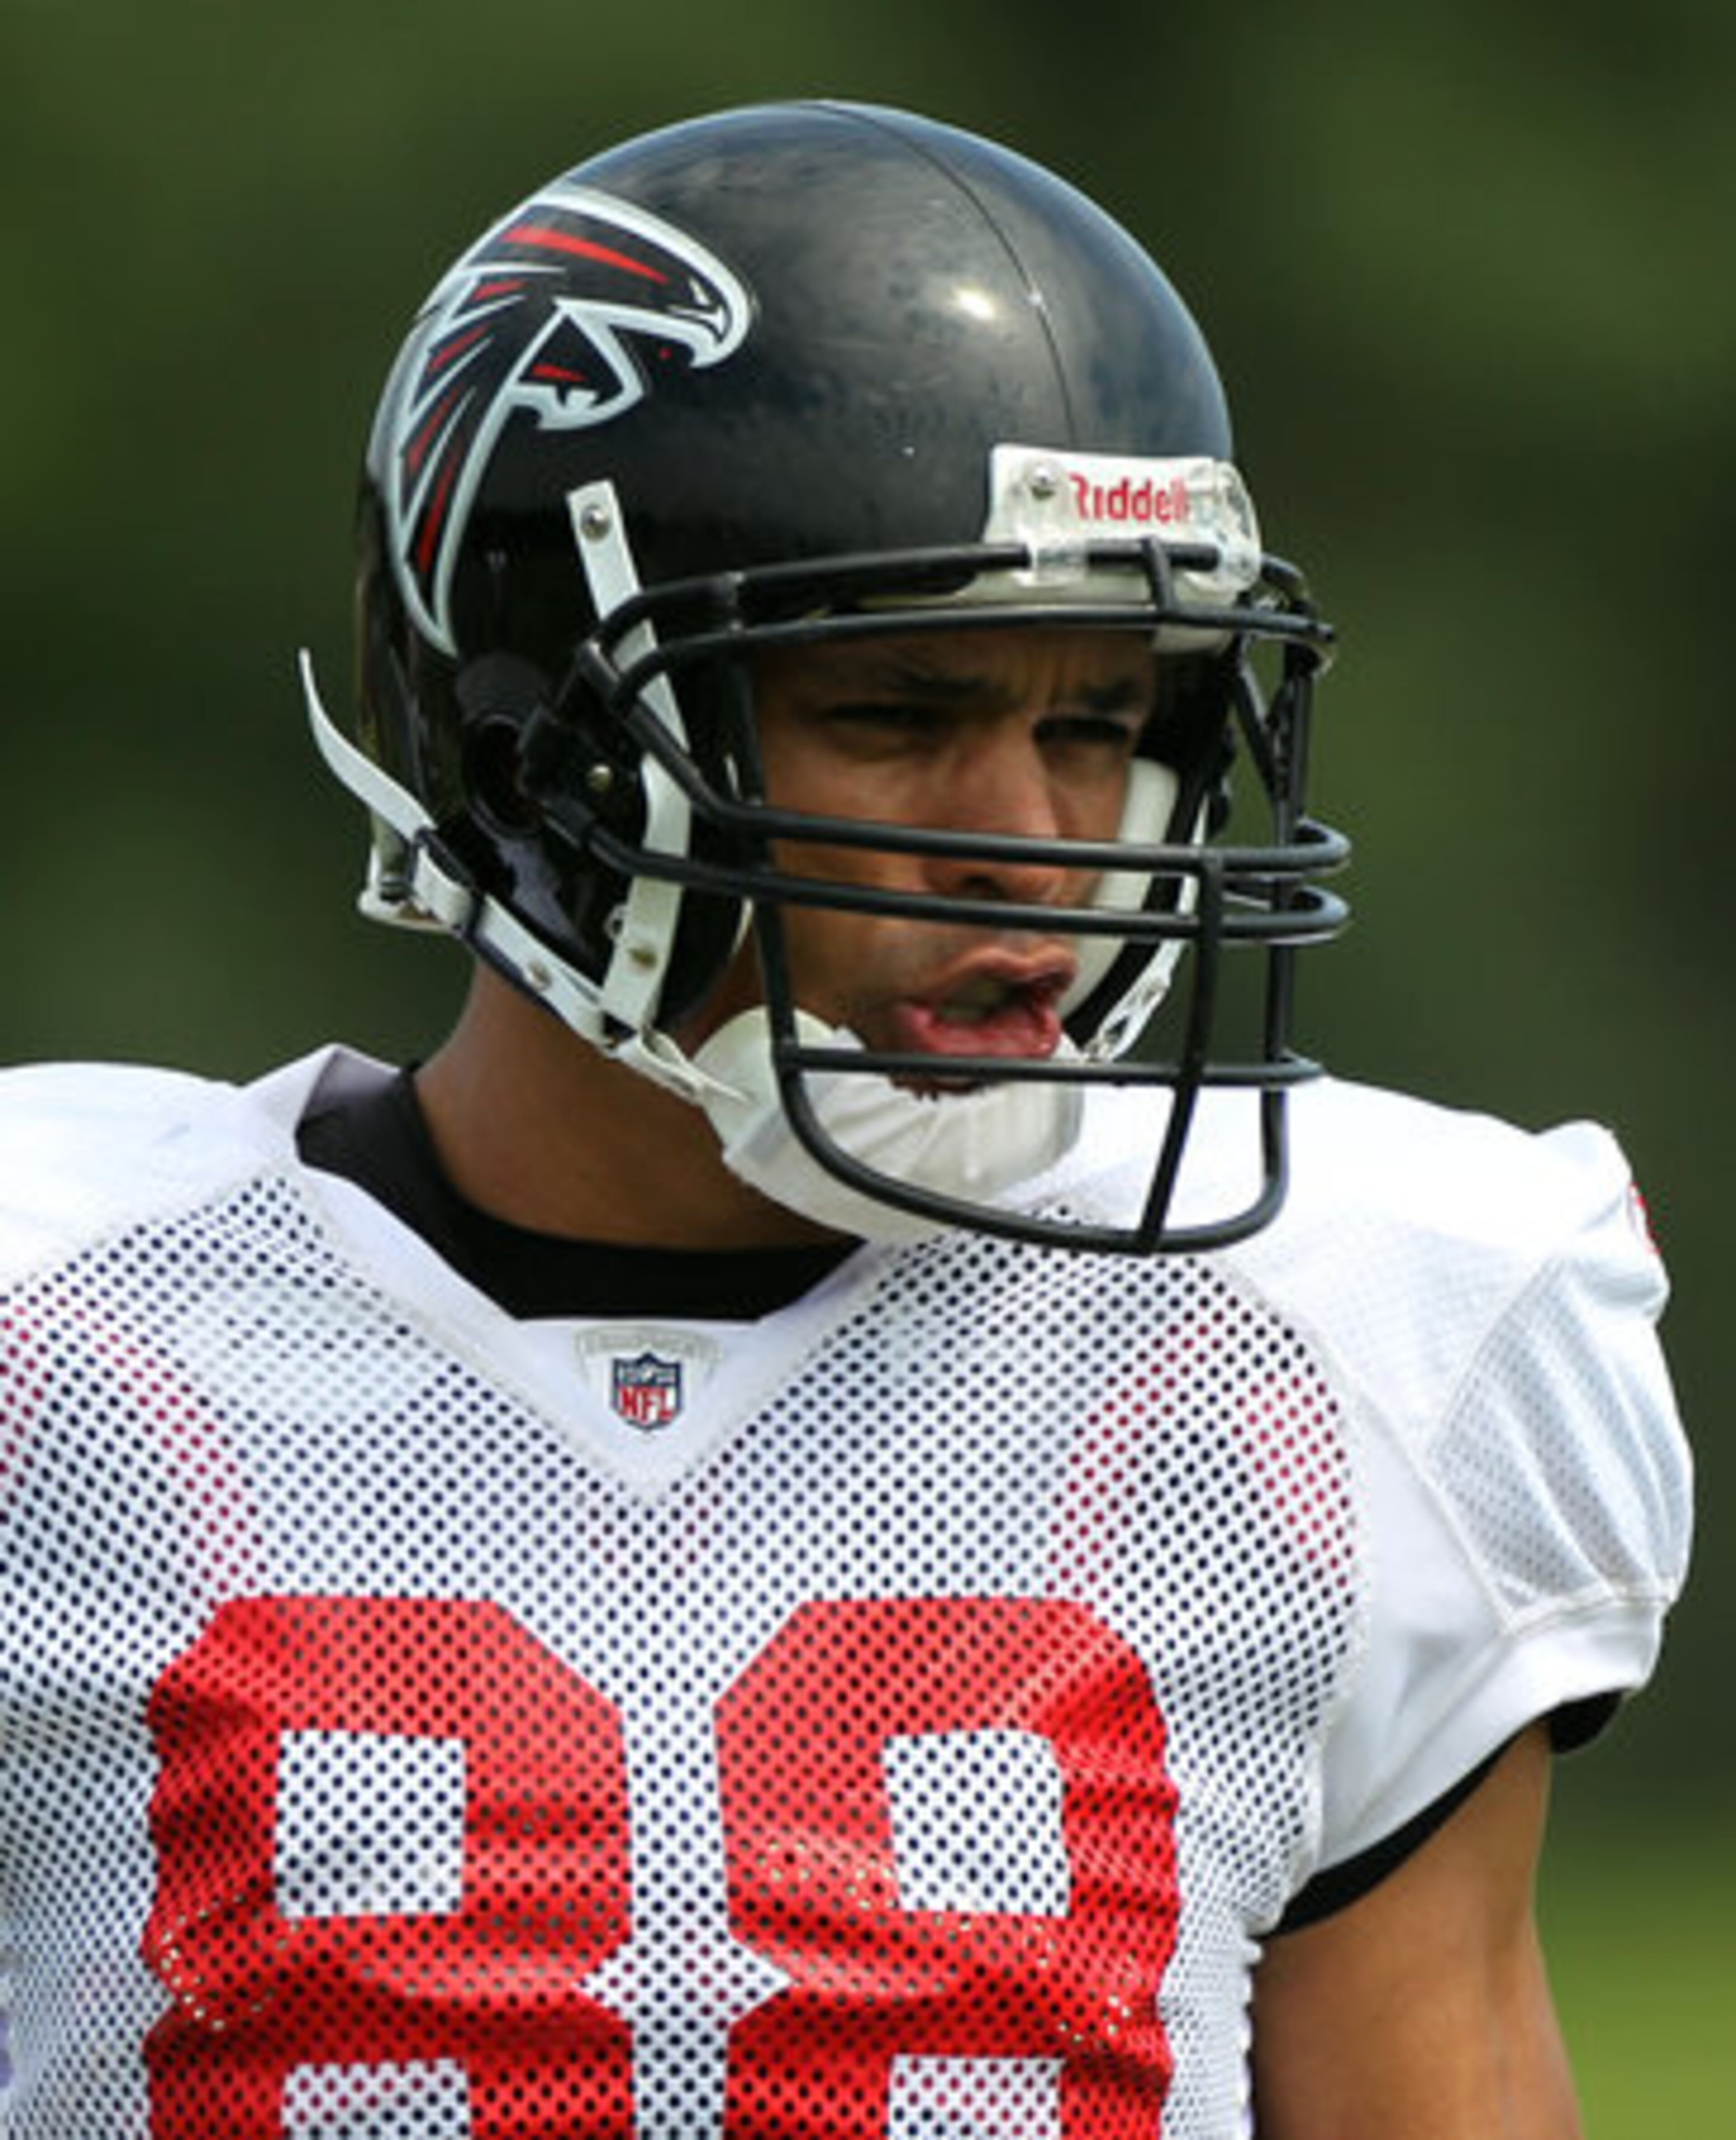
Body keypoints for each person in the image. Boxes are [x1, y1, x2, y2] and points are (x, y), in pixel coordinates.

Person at [0, 99, 1690, 2140]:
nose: (1033, 843)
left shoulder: (1345, 1339)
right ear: (534, 761)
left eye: (1099, 724)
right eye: (897, 715)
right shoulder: (57, 1330)